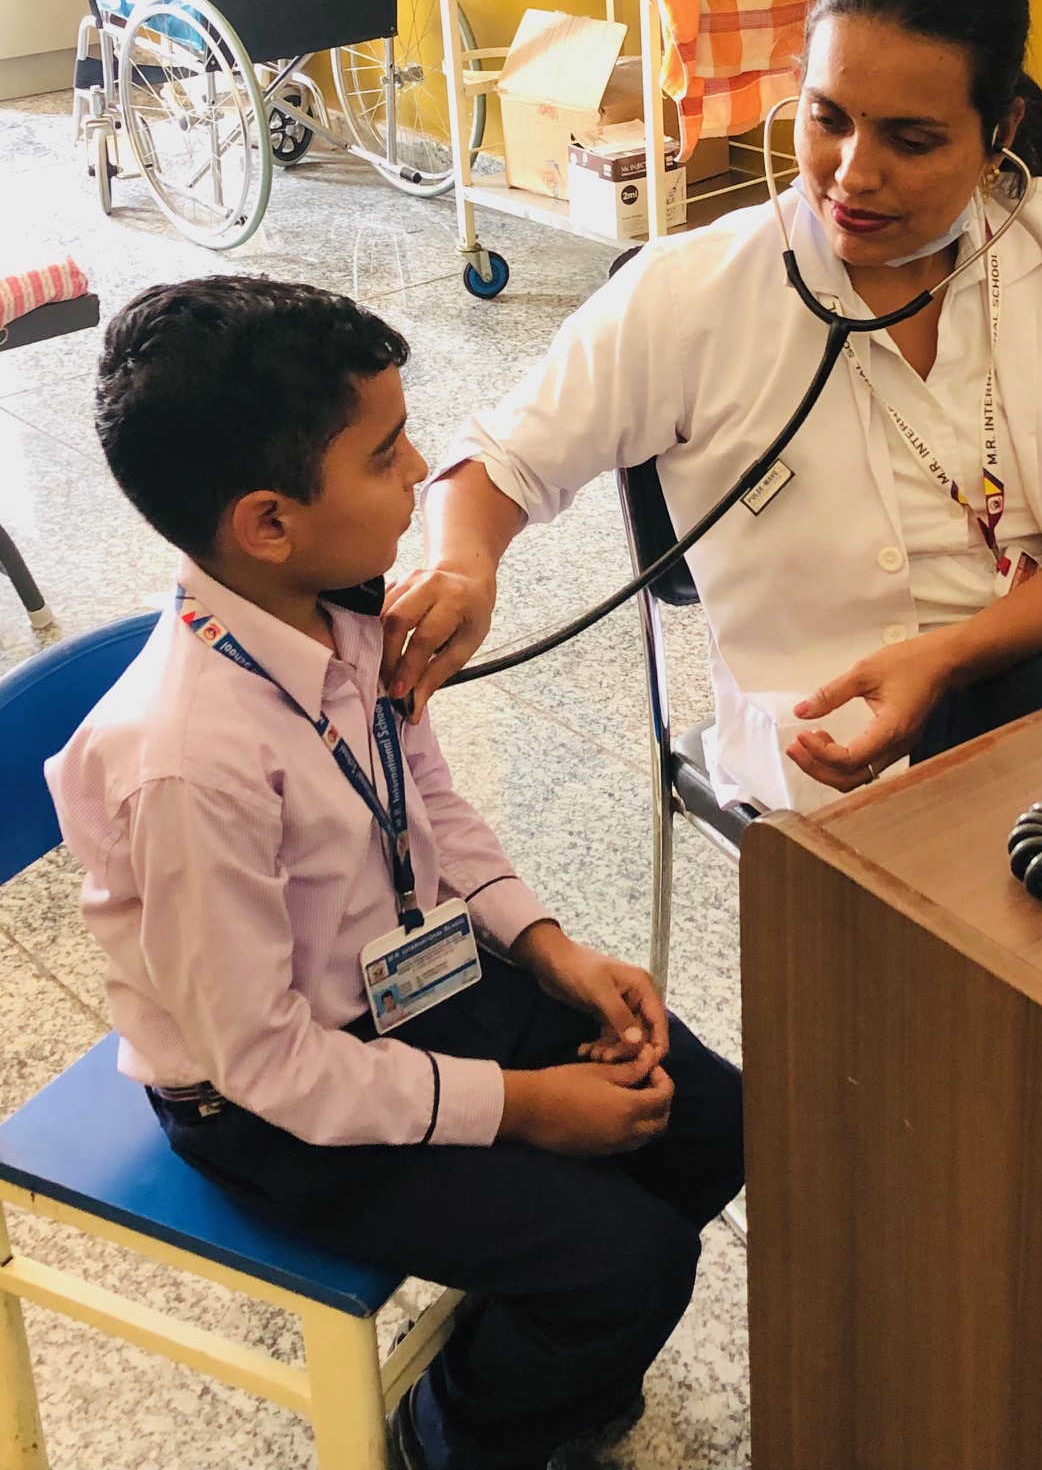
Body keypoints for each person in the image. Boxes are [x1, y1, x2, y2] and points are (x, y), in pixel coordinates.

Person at [47, 279, 743, 1470]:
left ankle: (538, 1339)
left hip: (408, 988)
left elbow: (428, 807)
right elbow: (267, 1063)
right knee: (630, 1261)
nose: (423, 468)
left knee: (712, 1124)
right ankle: (453, 1437)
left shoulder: (345, 609)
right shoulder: (186, 767)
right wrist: (526, 1110)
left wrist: (550, 951)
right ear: (268, 521)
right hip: (271, 1102)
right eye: (385, 455)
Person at [387, 0, 1042, 812]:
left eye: (911, 140)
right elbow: (500, 460)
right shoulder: (693, 292)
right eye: (829, 119)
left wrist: (950, 655)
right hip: (834, 742)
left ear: (997, 131)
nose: (854, 174)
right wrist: (463, 564)